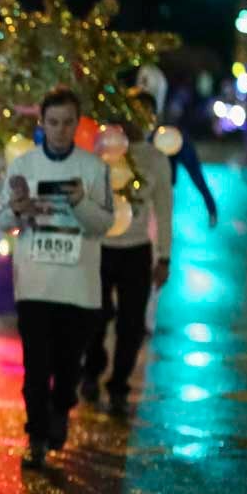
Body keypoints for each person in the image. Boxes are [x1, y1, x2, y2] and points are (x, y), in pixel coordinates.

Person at [0, 86, 113, 469]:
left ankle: (62, 407)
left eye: (68, 123)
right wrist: (17, 209)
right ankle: (37, 437)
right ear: (42, 123)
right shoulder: (23, 165)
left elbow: (103, 225)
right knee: (36, 366)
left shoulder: (94, 169)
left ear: (78, 125)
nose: (60, 130)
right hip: (34, 284)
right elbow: (0, 218)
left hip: (79, 288)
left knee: (67, 367)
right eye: (54, 122)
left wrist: (80, 202)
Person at [81, 91, 173, 417]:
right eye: (131, 112)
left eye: (144, 114)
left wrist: (164, 256)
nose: (136, 120)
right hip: (101, 248)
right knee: (95, 315)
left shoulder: (156, 159)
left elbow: (163, 209)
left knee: (131, 326)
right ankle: (91, 370)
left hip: (136, 252)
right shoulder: (102, 151)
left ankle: (119, 384)